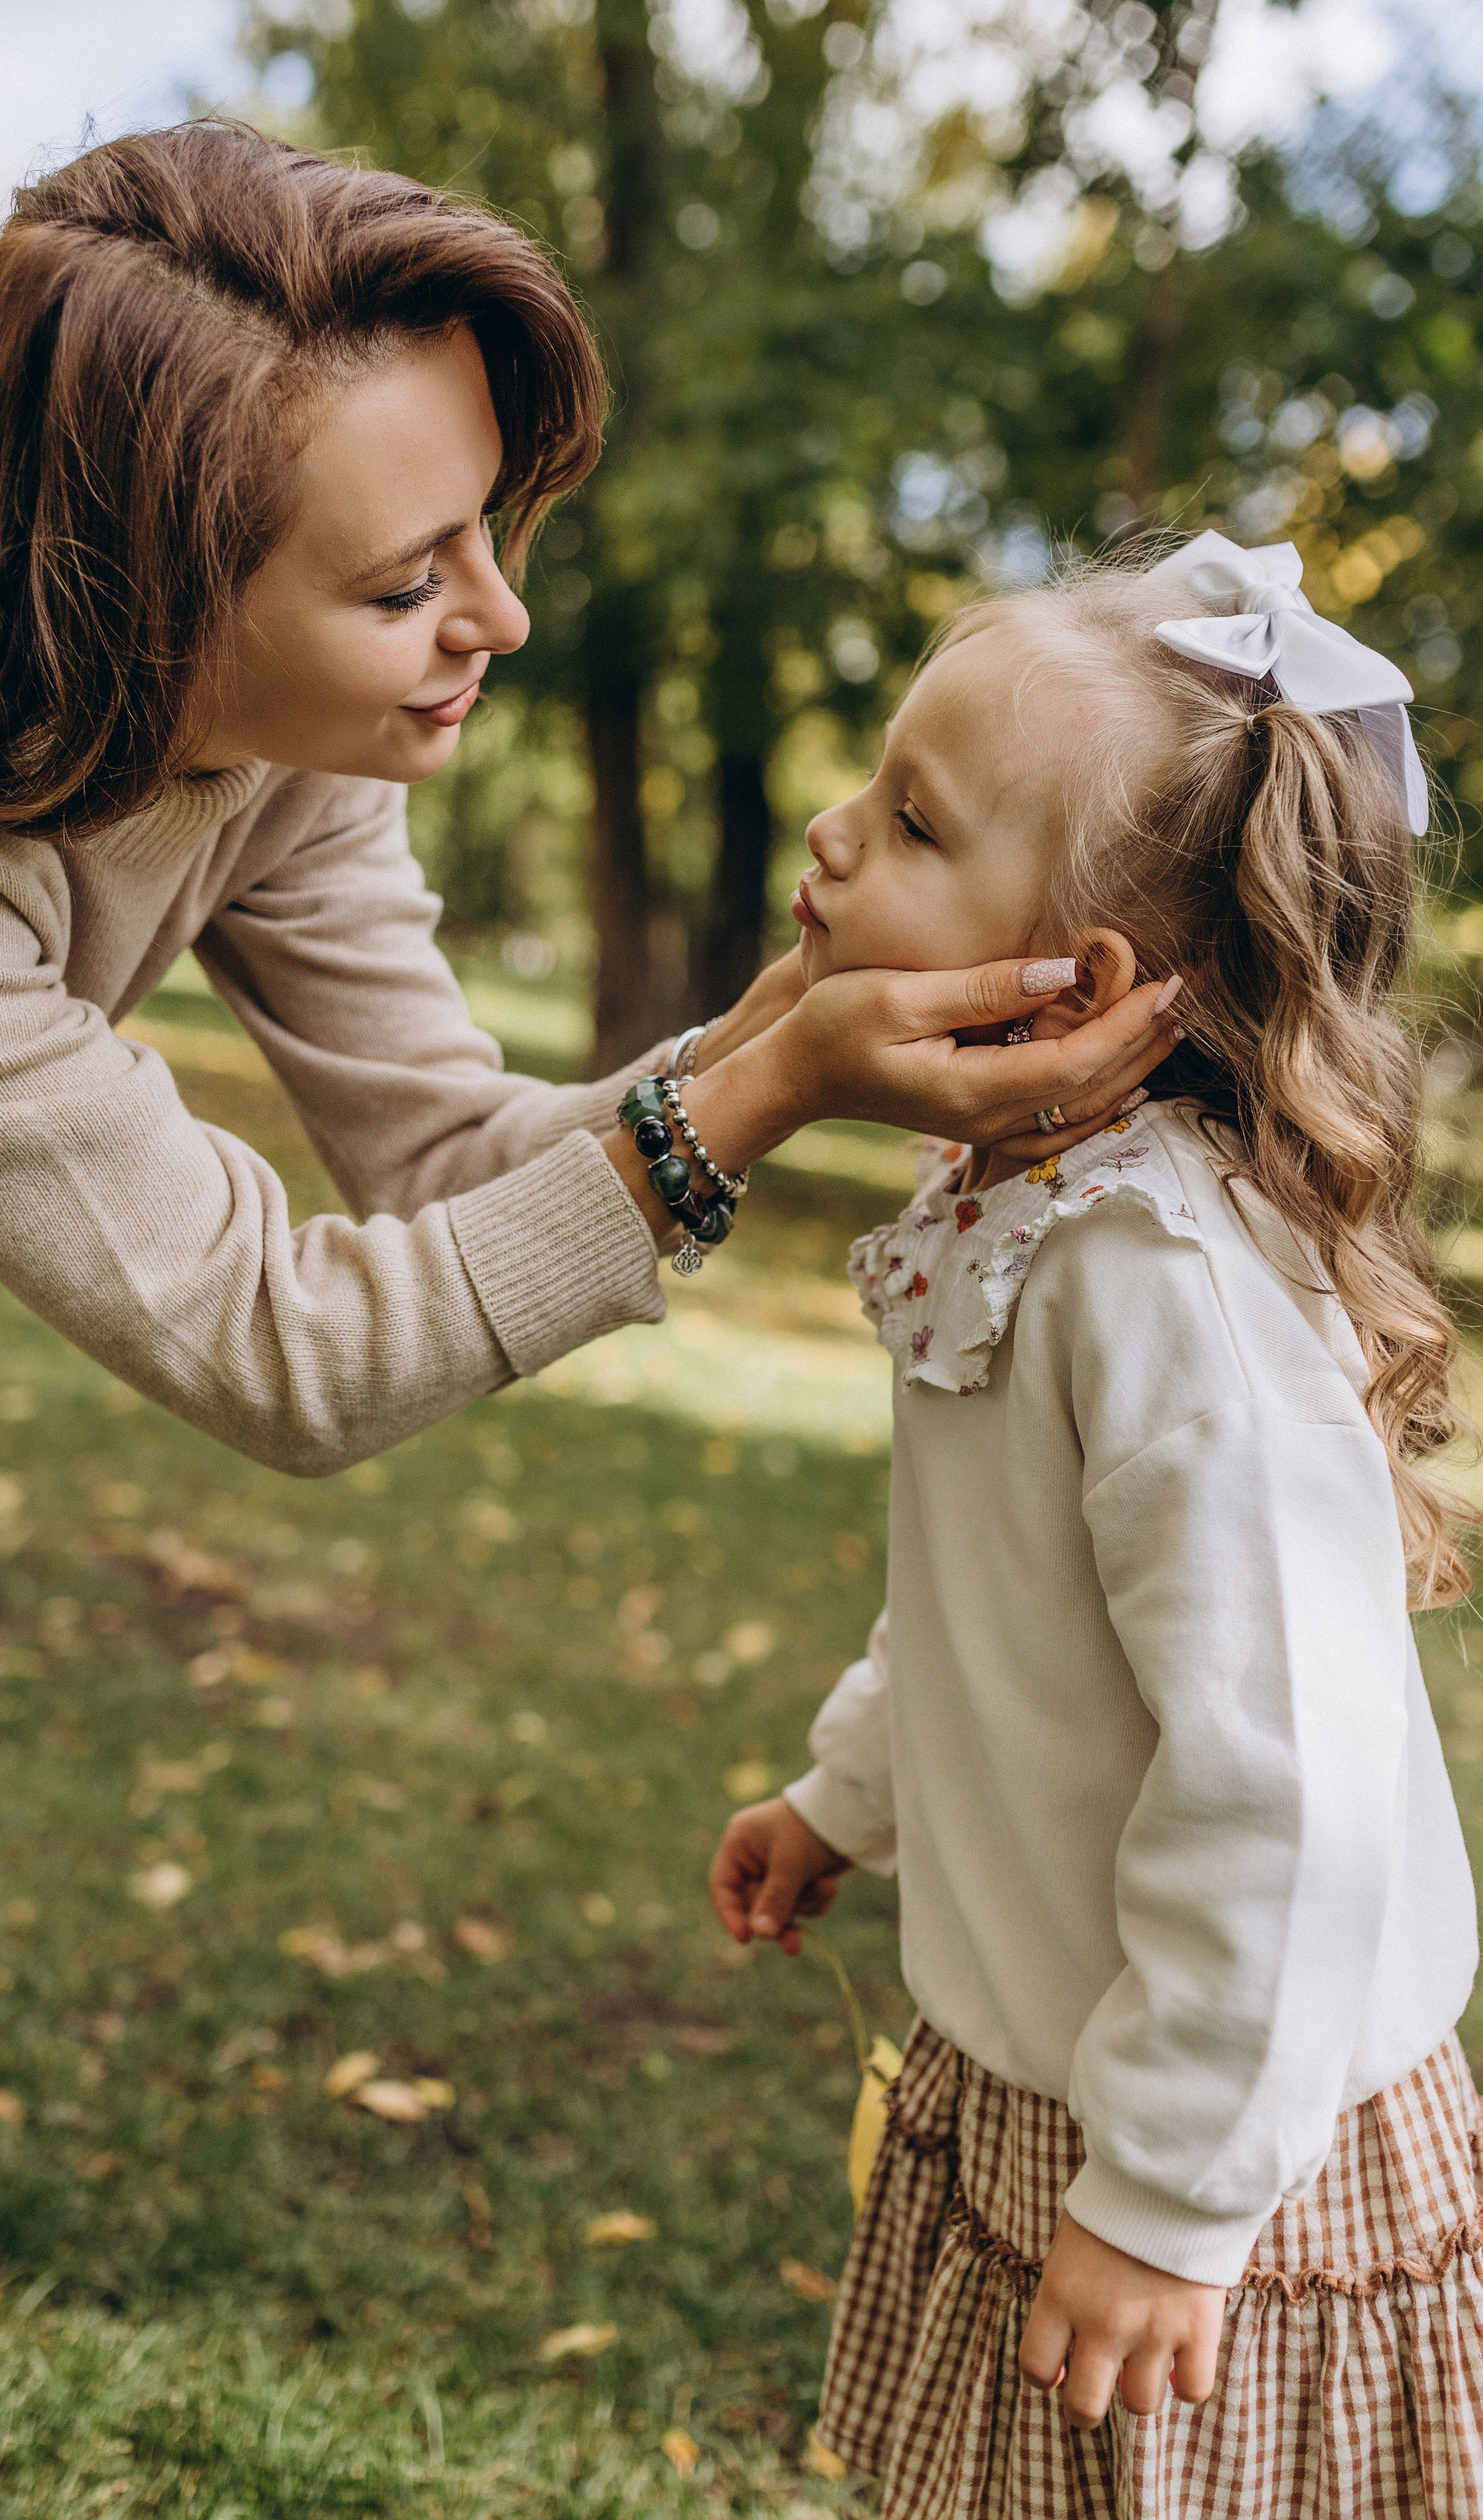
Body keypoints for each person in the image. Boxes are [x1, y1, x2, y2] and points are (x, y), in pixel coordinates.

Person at [0, 122, 1177, 2475]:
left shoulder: (276, 742)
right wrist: (767, 1092)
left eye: (486, 531)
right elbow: (285, 1348)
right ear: (151, 601)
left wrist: (800, 1020)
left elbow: (448, 1162)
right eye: (403, 579)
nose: (500, 619)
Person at [709, 532, 1483, 2517]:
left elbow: (1288, 1781)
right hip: (1051, 2062)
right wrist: (845, 1798)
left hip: (1223, 2133)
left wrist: (1168, 2197)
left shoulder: (1165, 1287)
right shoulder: (1012, 1206)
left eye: (913, 820)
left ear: (1087, 979)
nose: (833, 827)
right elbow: (988, 1621)